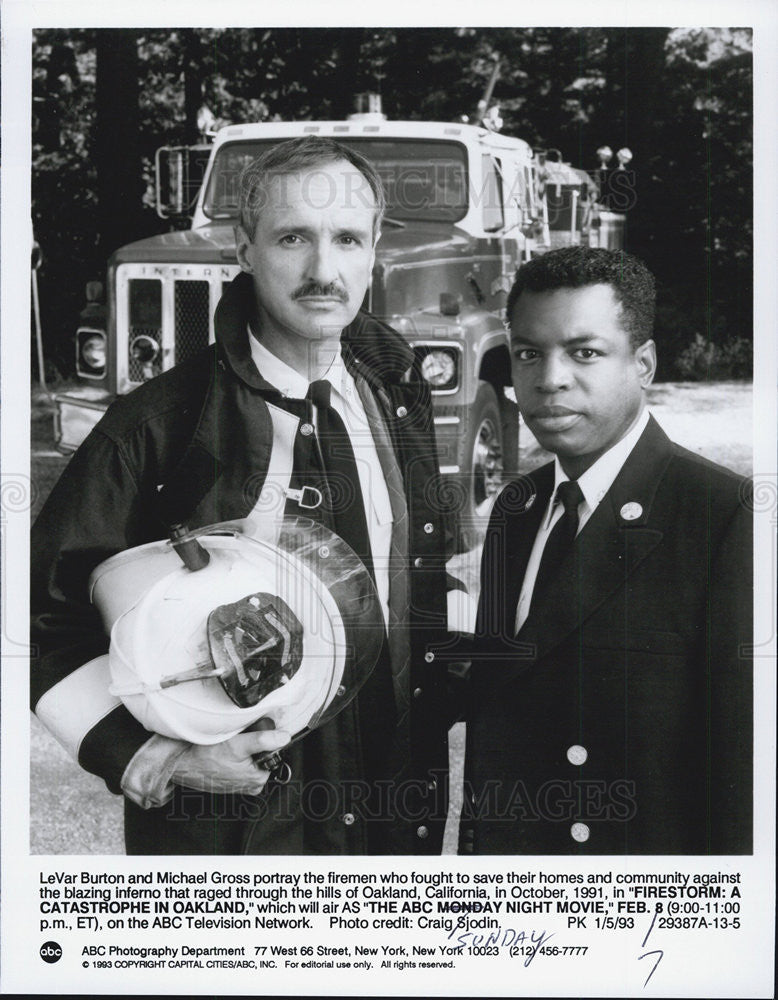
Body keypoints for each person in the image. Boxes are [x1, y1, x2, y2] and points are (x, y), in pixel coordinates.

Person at [31, 136, 468, 855]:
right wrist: (154, 759)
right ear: (244, 246)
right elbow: (41, 615)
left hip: (395, 814)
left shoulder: (397, 396)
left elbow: (418, 582)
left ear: (375, 247)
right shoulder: (159, 426)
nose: (324, 270)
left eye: (347, 239)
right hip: (238, 834)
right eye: (293, 237)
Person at [462, 246, 752, 855]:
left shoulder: (724, 516)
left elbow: (741, 774)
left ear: (643, 363)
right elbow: (502, 716)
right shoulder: (518, 508)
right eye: (528, 354)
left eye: (584, 352)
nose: (549, 379)